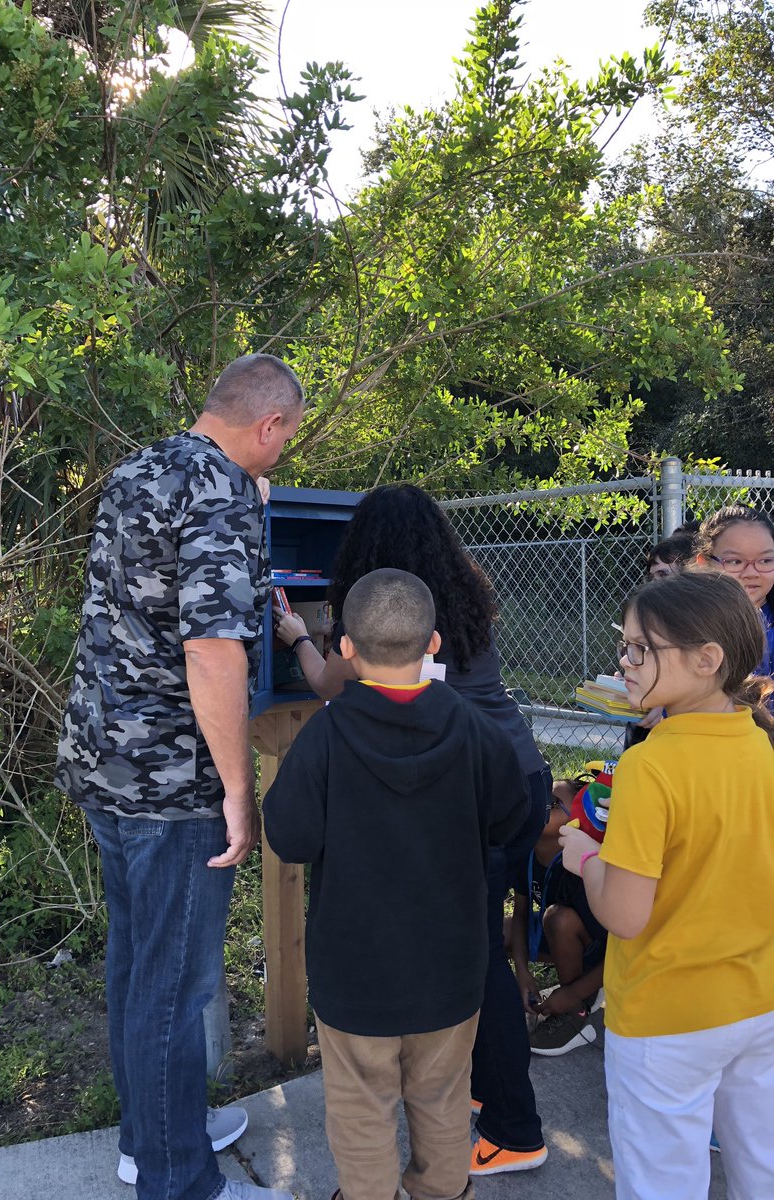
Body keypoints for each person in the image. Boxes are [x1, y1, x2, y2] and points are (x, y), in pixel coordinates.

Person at [55, 353, 303, 1200]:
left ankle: (149, 1136)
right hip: (171, 780)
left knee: (136, 965)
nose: (281, 456)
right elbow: (212, 650)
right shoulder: (225, 492)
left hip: (103, 760)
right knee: (174, 982)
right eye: (285, 439)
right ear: (268, 424)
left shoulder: (140, 466)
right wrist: (237, 787)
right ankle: (179, 1179)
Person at [272, 483, 552, 1177]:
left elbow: (332, 684)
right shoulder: (462, 593)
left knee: (477, 955)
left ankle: (515, 1126)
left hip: (462, 781)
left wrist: (298, 636)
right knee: (472, 945)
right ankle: (474, 1119)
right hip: (506, 772)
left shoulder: (372, 617)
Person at [560, 570, 774, 1200]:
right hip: (757, 1000)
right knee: (761, 1162)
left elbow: (625, 916)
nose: (624, 662)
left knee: (661, 1180)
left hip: (666, 1015)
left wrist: (586, 862)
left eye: (640, 650)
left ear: (708, 659)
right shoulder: (761, 745)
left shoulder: (651, 765)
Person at [509, 779, 607, 1057]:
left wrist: (574, 993)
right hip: (557, 939)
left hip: (598, 950)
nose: (540, 805)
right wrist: (522, 971)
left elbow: (620, 950)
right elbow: (520, 916)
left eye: (551, 803)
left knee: (557, 919)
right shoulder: (527, 849)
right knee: (495, 932)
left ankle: (577, 1015)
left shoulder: (585, 862)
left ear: (577, 818)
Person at [695, 504, 774, 676]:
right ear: (704, 564)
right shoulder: (679, 624)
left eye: (766, 560)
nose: (752, 573)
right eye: (735, 562)